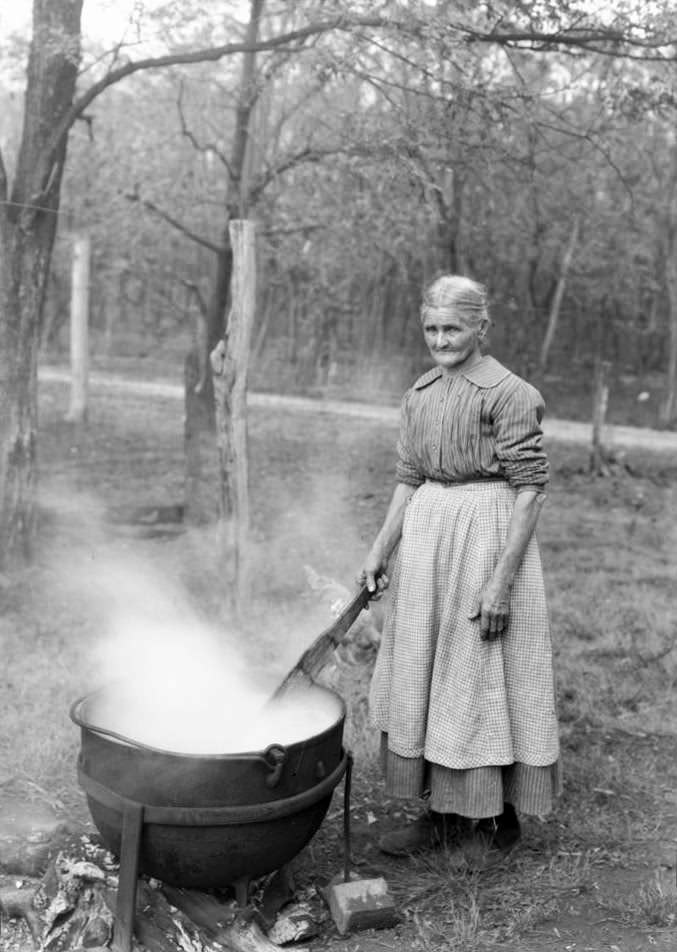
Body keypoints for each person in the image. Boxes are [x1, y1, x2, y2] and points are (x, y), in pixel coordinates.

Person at [359, 274, 560, 864]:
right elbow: (407, 478)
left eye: (453, 327)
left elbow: (531, 493)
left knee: (478, 674)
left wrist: (500, 583)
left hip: (487, 538)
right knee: (428, 671)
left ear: (481, 328)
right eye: (431, 328)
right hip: (428, 540)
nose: (441, 339)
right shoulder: (419, 394)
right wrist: (380, 548)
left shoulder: (509, 392)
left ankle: (497, 823)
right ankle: (440, 815)